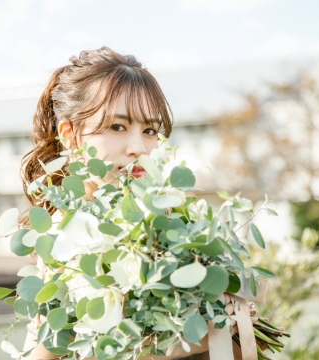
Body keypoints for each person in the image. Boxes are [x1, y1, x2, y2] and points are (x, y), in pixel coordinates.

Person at [21, 46, 255, 360]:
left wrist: (235, 317)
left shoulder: (172, 228)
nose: (139, 148)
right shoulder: (60, 249)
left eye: (149, 130)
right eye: (117, 127)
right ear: (70, 135)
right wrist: (208, 333)